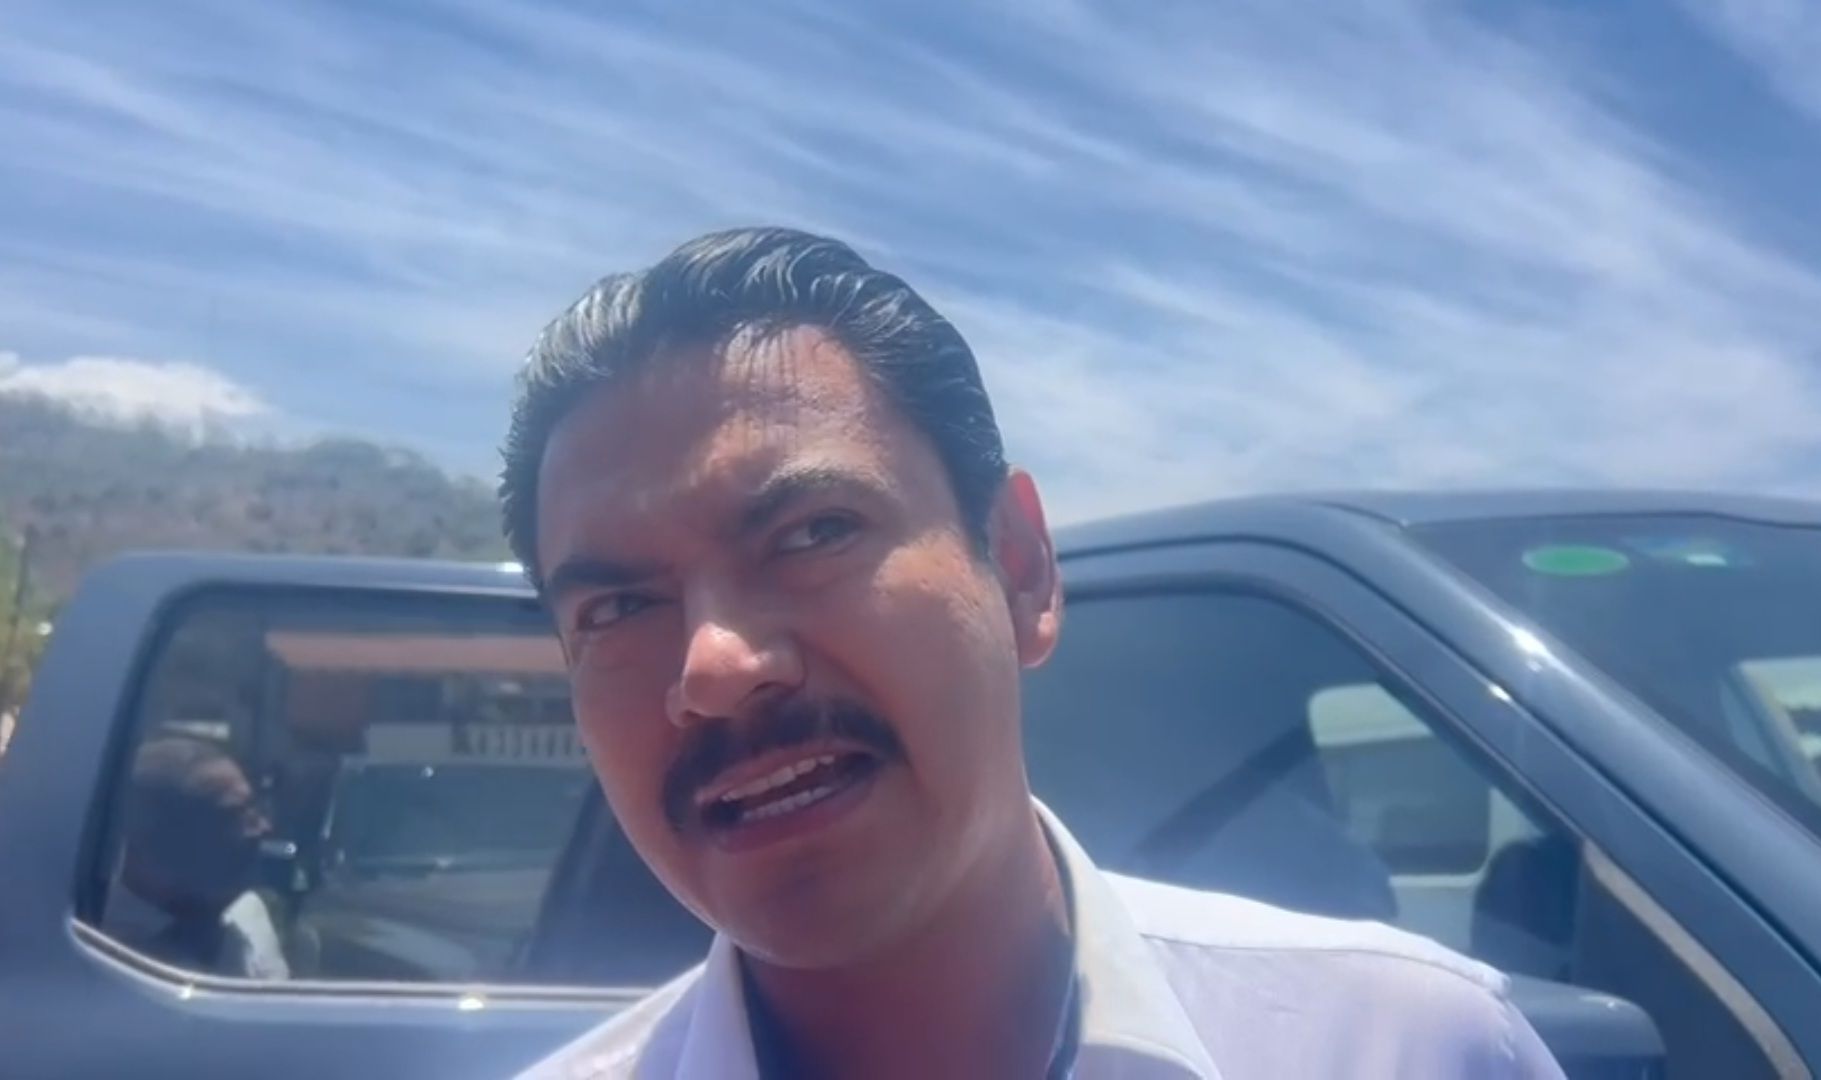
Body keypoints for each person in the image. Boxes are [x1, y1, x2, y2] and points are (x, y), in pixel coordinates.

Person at [500, 227, 1564, 1079]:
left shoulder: (1413, 1050)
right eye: (618, 608)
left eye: (813, 533)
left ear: (1019, 568)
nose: (716, 665)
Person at [110, 735, 290, 980]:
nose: (263, 828)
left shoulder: (247, 913)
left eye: (255, 808)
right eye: (233, 815)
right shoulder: (92, 935)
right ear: (160, 837)